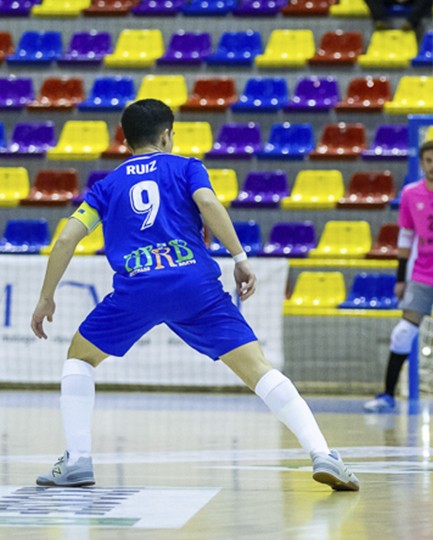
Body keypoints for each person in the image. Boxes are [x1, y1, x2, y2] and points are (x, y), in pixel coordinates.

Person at [29, 99, 359, 491]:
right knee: (258, 368)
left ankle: (78, 461)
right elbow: (206, 202)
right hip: (194, 284)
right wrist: (239, 257)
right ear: (167, 134)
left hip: (138, 288)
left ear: (125, 138)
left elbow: (67, 236)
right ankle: (322, 453)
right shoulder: (186, 166)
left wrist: (46, 296)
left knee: (79, 359)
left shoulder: (106, 186)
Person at [364, 140, 433, 415]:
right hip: (423, 273)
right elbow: (405, 238)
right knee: (403, 333)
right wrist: (400, 278)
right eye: (429, 160)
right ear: (422, 163)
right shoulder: (409, 194)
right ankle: (388, 396)